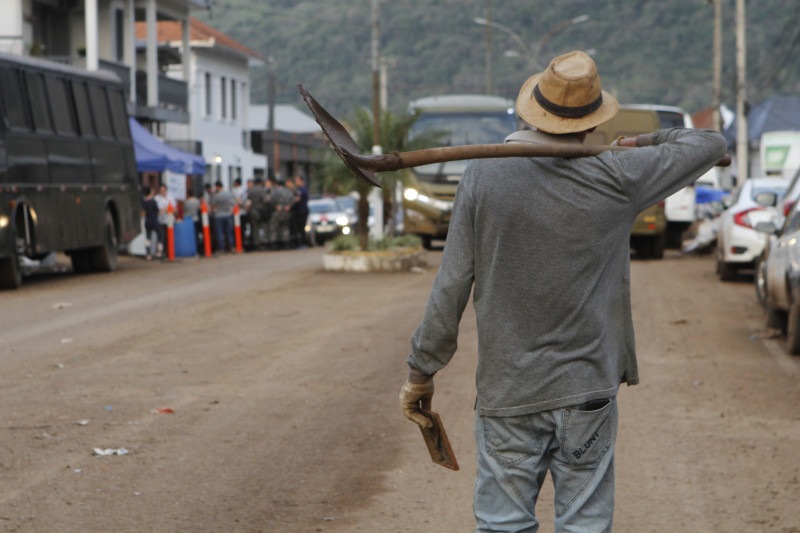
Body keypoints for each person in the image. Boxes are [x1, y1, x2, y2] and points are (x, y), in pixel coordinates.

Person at [398, 51, 727, 533]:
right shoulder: (618, 175)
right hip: (586, 392)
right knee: (584, 527)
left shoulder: (482, 178)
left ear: (532, 110)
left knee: (502, 526)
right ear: (591, 122)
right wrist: (638, 141)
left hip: (509, 393)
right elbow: (708, 142)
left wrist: (420, 372)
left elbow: (451, 286)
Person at [210, 180, 236, 253]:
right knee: (229, 232)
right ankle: (231, 247)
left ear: (218, 187)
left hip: (218, 215)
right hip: (227, 214)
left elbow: (213, 205)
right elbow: (233, 203)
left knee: (219, 233)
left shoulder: (216, 195)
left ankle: (221, 249)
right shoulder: (228, 194)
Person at [154, 184, 175, 260]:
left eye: (164, 190)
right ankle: (161, 252)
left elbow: (174, 209)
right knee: (162, 237)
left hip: (170, 221)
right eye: (161, 190)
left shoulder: (170, 198)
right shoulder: (157, 198)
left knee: (169, 237)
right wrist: (164, 210)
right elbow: (157, 211)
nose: (162, 192)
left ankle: (170, 253)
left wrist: (167, 209)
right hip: (160, 221)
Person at [141, 186, 160, 261]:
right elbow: (157, 211)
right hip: (154, 221)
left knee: (148, 238)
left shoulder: (144, 201)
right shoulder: (153, 201)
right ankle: (159, 252)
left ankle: (148, 254)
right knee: (161, 234)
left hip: (147, 221)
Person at [293, 175, 310, 248]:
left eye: (297, 181)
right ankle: (301, 243)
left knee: (301, 228)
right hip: (299, 211)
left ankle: (303, 244)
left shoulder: (302, 189)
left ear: (301, 181)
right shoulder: (299, 189)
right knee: (299, 228)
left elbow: (297, 199)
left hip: (302, 211)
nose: (296, 182)